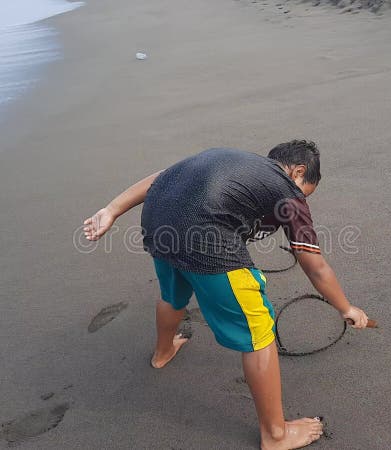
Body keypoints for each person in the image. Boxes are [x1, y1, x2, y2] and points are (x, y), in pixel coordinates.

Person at [83, 140, 369, 450]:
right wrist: (345, 307)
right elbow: (314, 266)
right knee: (259, 331)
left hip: (158, 223)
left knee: (173, 294)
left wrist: (111, 210)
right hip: (206, 241)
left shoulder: (232, 160)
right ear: (299, 172)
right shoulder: (287, 190)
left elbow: (161, 178)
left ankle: (162, 353)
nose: (302, 200)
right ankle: (275, 435)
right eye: (306, 192)